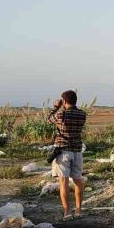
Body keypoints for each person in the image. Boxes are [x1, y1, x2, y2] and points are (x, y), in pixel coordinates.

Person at [48, 90, 87, 220]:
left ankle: (66, 212)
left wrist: (56, 106)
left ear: (64, 101)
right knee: (78, 180)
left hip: (63, 151)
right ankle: (78, 211)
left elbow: (49, 118)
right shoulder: (82, 114)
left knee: (63, 182)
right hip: (77, 151)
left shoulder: (61, 115)